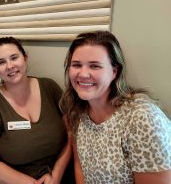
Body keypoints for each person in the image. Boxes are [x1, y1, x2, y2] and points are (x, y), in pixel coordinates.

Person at [60, 30, 171, 184]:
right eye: (76, 65)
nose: (83, 74)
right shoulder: (77, 112)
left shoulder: (143, 119)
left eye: (95, 66)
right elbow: (80, 167)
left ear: (114, 72)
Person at [0, 37, 74, 184]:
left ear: (25, 58)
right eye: (1, 62)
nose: (9, 66)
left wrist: (56, 175)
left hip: (60, 176)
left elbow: (71, 133)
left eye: (14, 57)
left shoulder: (49, 87)